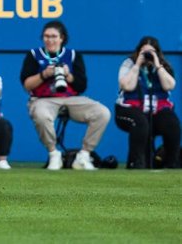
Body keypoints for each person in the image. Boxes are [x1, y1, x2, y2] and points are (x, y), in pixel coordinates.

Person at [20, 20, 111, 170]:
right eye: (46, 36)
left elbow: (81, 86)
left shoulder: (73, 56)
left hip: (71, 98)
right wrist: (44, 74)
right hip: (43, 99)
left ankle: (84, 155)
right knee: (41, 114)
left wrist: (68, 75)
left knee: (102, 113)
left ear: (62, 38)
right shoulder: (34, 55)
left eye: (54, 36)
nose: (50, 40)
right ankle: (54, 154)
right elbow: (26, 84)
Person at [115, 37, 180, 169]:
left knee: (172, 123)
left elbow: (170, 85)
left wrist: (157, 65)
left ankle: (172, 163)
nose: (148, 55)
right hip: (130, 109)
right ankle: (137, 163)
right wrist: (137, 65)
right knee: (141, 122)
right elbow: (127, 86)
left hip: (157, 110)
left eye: (151, 52)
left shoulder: (163, 66)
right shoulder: (128, 64)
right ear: (138, 52)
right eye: (144, 51)